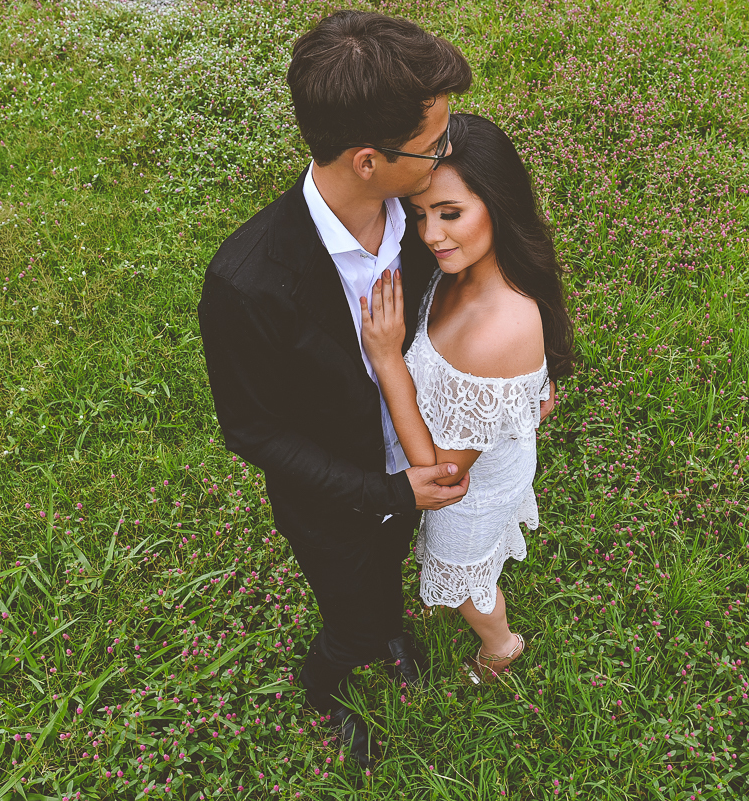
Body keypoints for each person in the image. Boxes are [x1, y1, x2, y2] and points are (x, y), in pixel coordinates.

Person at [197, 11, 474, 768]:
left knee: (389, 581)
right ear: (367, 161)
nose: (452, 151)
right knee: (351, 616)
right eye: (435, 142)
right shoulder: (247, 283)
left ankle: (386, 624)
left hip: (419, 463)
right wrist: (385, 490)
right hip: (337, 503)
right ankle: (328, 682)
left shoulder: (426, 209)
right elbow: (254, 432)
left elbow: (505, 262)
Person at [360, 113, 574, 683]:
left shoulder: (498, 327)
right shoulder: (466, 266)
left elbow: (443, 476)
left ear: (498, 207)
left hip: (466, 488)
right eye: (421, 213)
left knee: (465, 576)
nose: (431, 235)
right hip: (473, 449)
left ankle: (500, 646)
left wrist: (386, 360)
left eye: (451, 214)